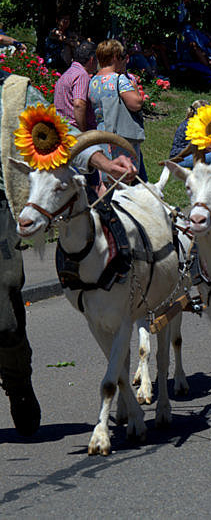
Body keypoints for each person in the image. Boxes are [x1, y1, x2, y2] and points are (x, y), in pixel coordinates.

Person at [1, 67, 137, 437]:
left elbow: (66, 134)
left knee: (5, 310)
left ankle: (16, 381)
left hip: (6, 207)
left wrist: (104, 162)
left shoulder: (16, 94)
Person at [88, 40, 148, 183]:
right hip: (121, 135)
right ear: (114, 57)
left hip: (102, 132)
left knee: (107, 177)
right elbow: (135, 103)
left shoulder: (94, 81)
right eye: (122, 56)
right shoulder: (119, 79)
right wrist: (134, 87)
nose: (124, 60)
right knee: (124, 176)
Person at [55, 41, 97, 132]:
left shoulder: (68, 73)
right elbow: (79, 105)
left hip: (63, 127)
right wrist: (83, 132)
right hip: (75, 131)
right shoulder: (82, 75)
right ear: (92, 60)